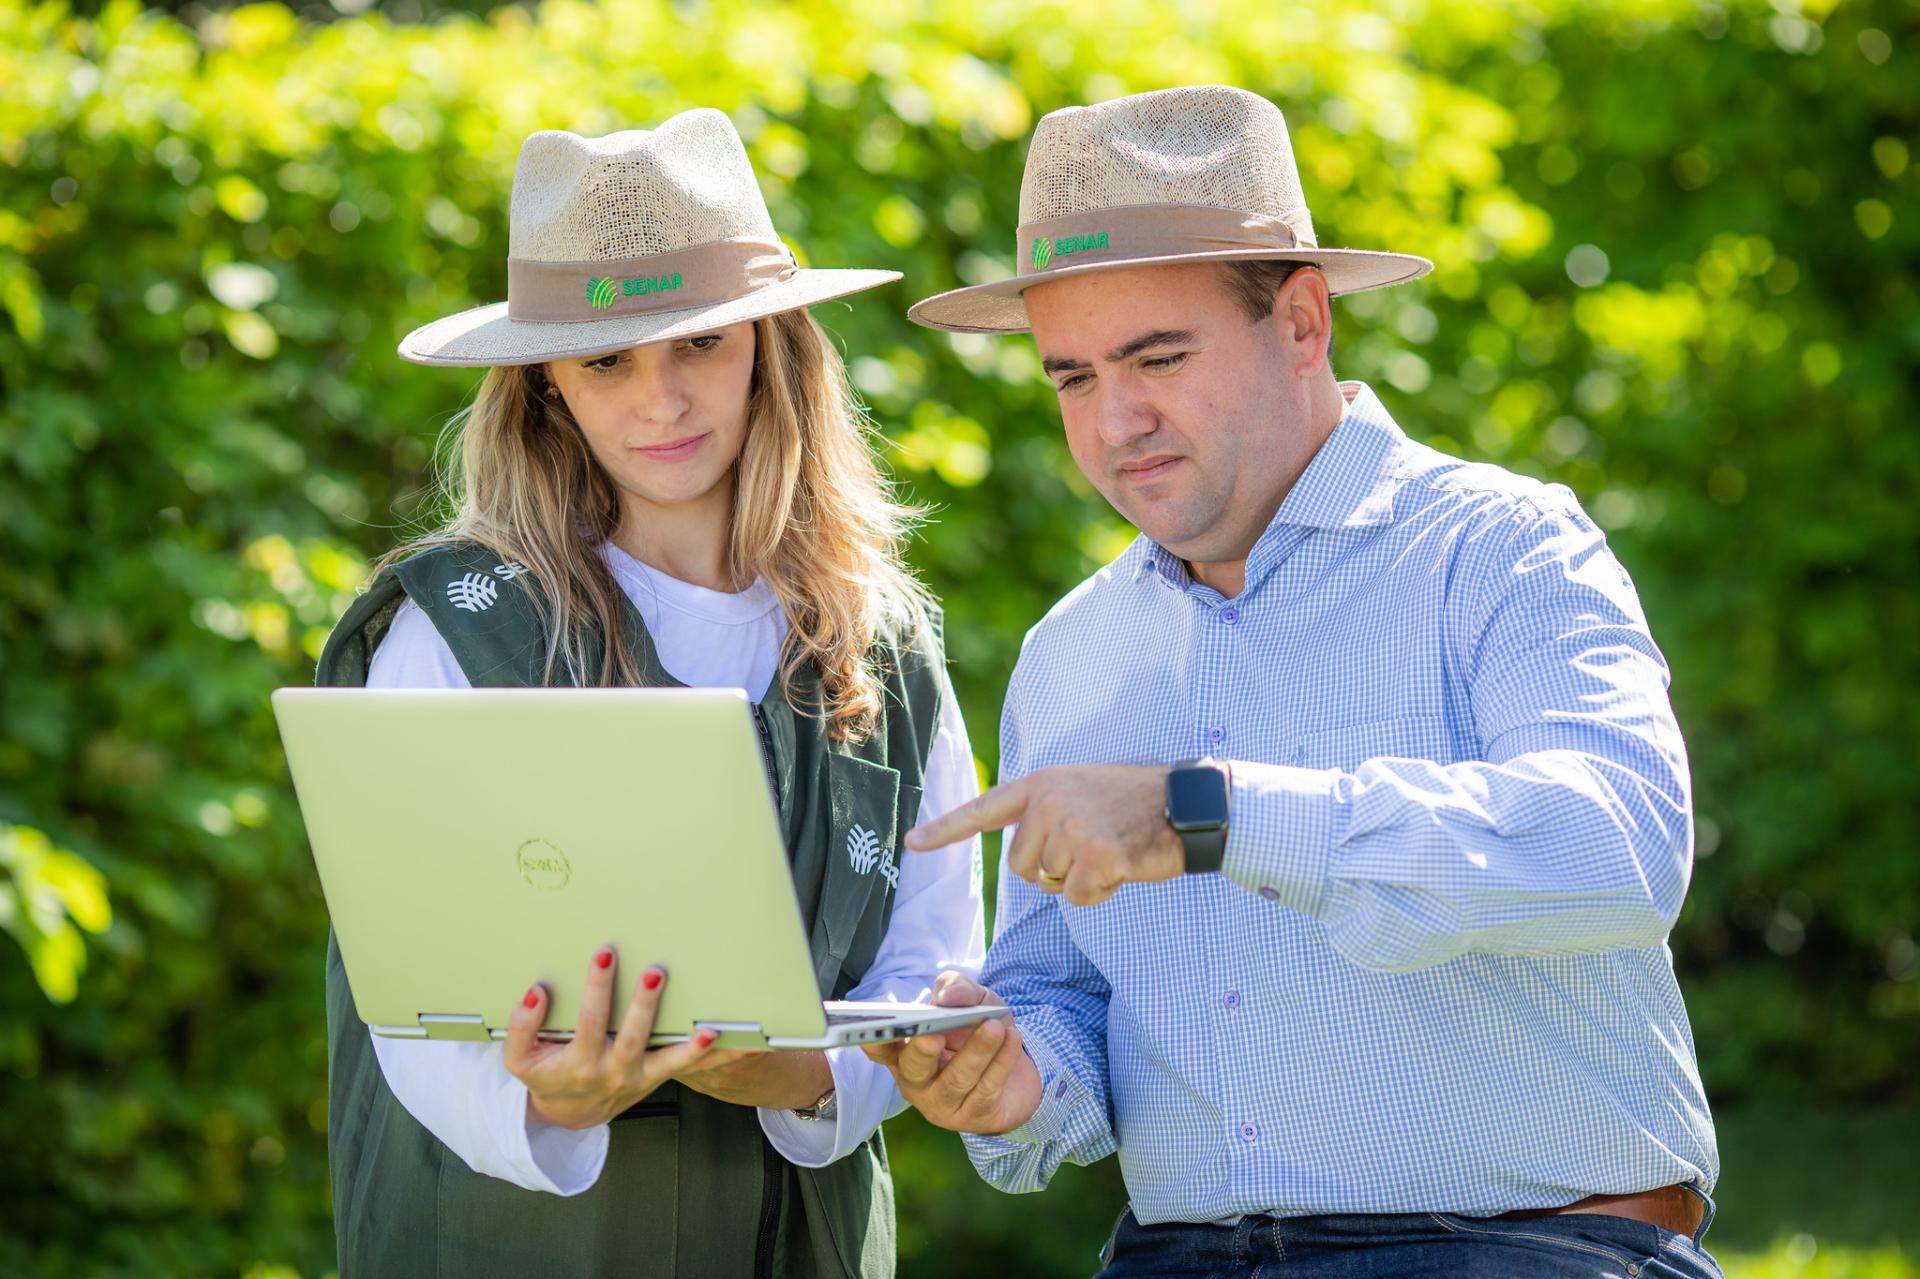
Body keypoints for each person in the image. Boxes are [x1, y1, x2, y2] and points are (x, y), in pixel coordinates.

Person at [865, 85, 1722, 1277]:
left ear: (1305, 320)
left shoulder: (1504, 546)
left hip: (1528, 1249)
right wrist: (1011, 1074)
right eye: (1071, 378)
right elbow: (1060, 996)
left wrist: (1208, 811)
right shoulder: (1073, 652)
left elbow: (1617, 849)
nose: (1117, 421)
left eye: (1158, 356)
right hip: (1175, 1256)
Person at [311, 108, 984, 1278]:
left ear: (774, 347)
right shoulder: (455, 625)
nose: (660, 400)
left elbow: (932, 965)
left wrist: (809, 1073)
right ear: (545, 387)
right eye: (606, 359)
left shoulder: (887, 641)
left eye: (701, 345)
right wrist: (553, 1100)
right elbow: (399, 989)